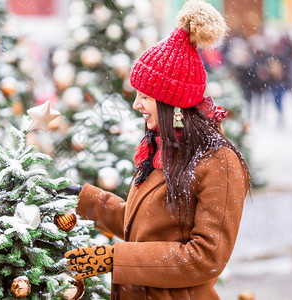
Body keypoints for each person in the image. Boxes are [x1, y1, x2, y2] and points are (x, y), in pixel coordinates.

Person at [62, 1, 251, 299]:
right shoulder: (161, 149)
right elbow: (145, 226)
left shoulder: (218, 162)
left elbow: (205, 257)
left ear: (171, 104)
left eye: (145, 96)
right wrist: (84, 200)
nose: (136, 105)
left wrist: (115, 259)